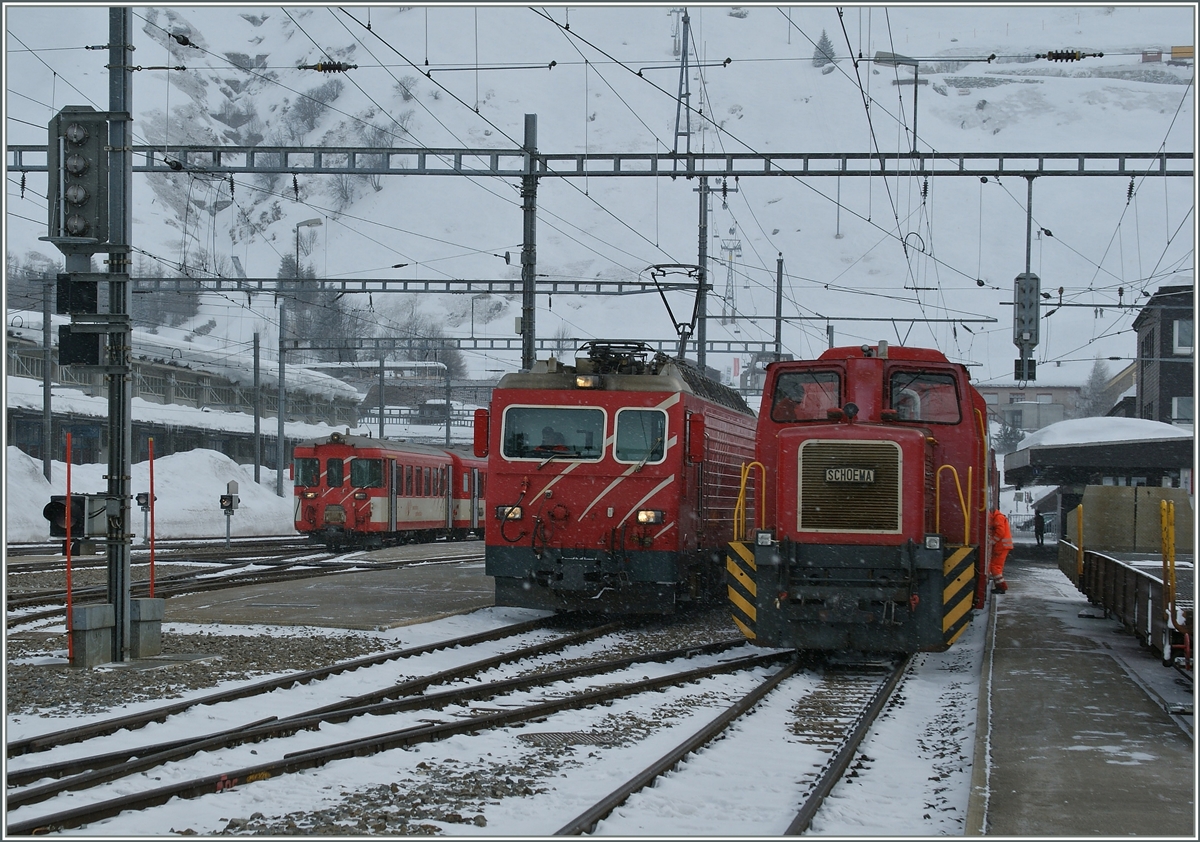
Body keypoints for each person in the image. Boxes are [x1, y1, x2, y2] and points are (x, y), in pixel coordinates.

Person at [988, 509, 1013, 594]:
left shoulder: (998, 518)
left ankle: (1001, 587)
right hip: (1003, 546)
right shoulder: (999, 517)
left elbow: (1000, 532)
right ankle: (1000, 586)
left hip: (1001, 546)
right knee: (996, 567)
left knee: (995, 567)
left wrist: (992, 541)